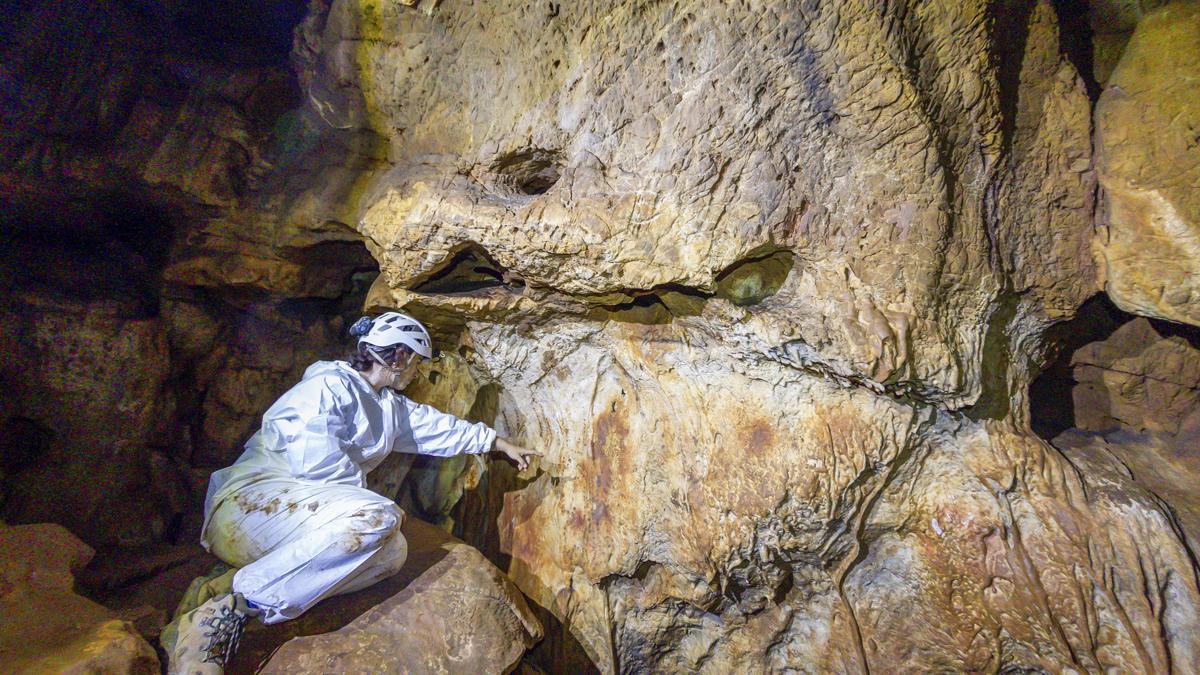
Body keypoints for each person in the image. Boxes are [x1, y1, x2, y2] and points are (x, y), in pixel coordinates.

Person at [167, 311, 539, 673]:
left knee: (391, 554)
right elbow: (317, 463)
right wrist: (364, 510)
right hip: (248, 505)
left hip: (296, 518)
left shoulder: (385, 404)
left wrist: (495, 443)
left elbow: (434, 427)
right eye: (416, 362)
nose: (418, 371)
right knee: (377, 518)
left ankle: (229, 590)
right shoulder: (326, 386)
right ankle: (229, 611)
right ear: (399, 356)